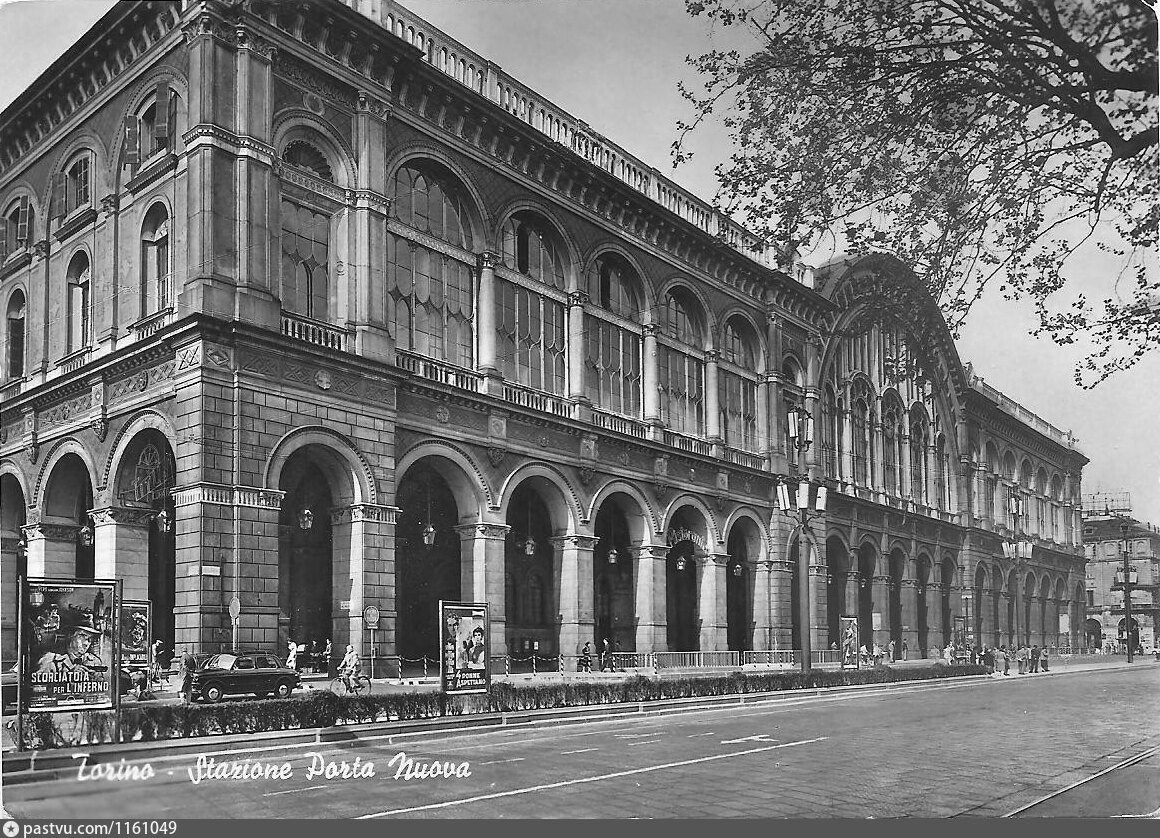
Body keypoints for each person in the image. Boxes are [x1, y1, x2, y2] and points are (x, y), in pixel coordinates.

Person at [35, 615, 105, 675]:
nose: (86, 643)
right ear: (70, 635)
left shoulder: (94, 662)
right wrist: (69, 677)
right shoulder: (49, 661)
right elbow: (38, 688)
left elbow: (102, 687)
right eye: (81, 636)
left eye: (89, 639)